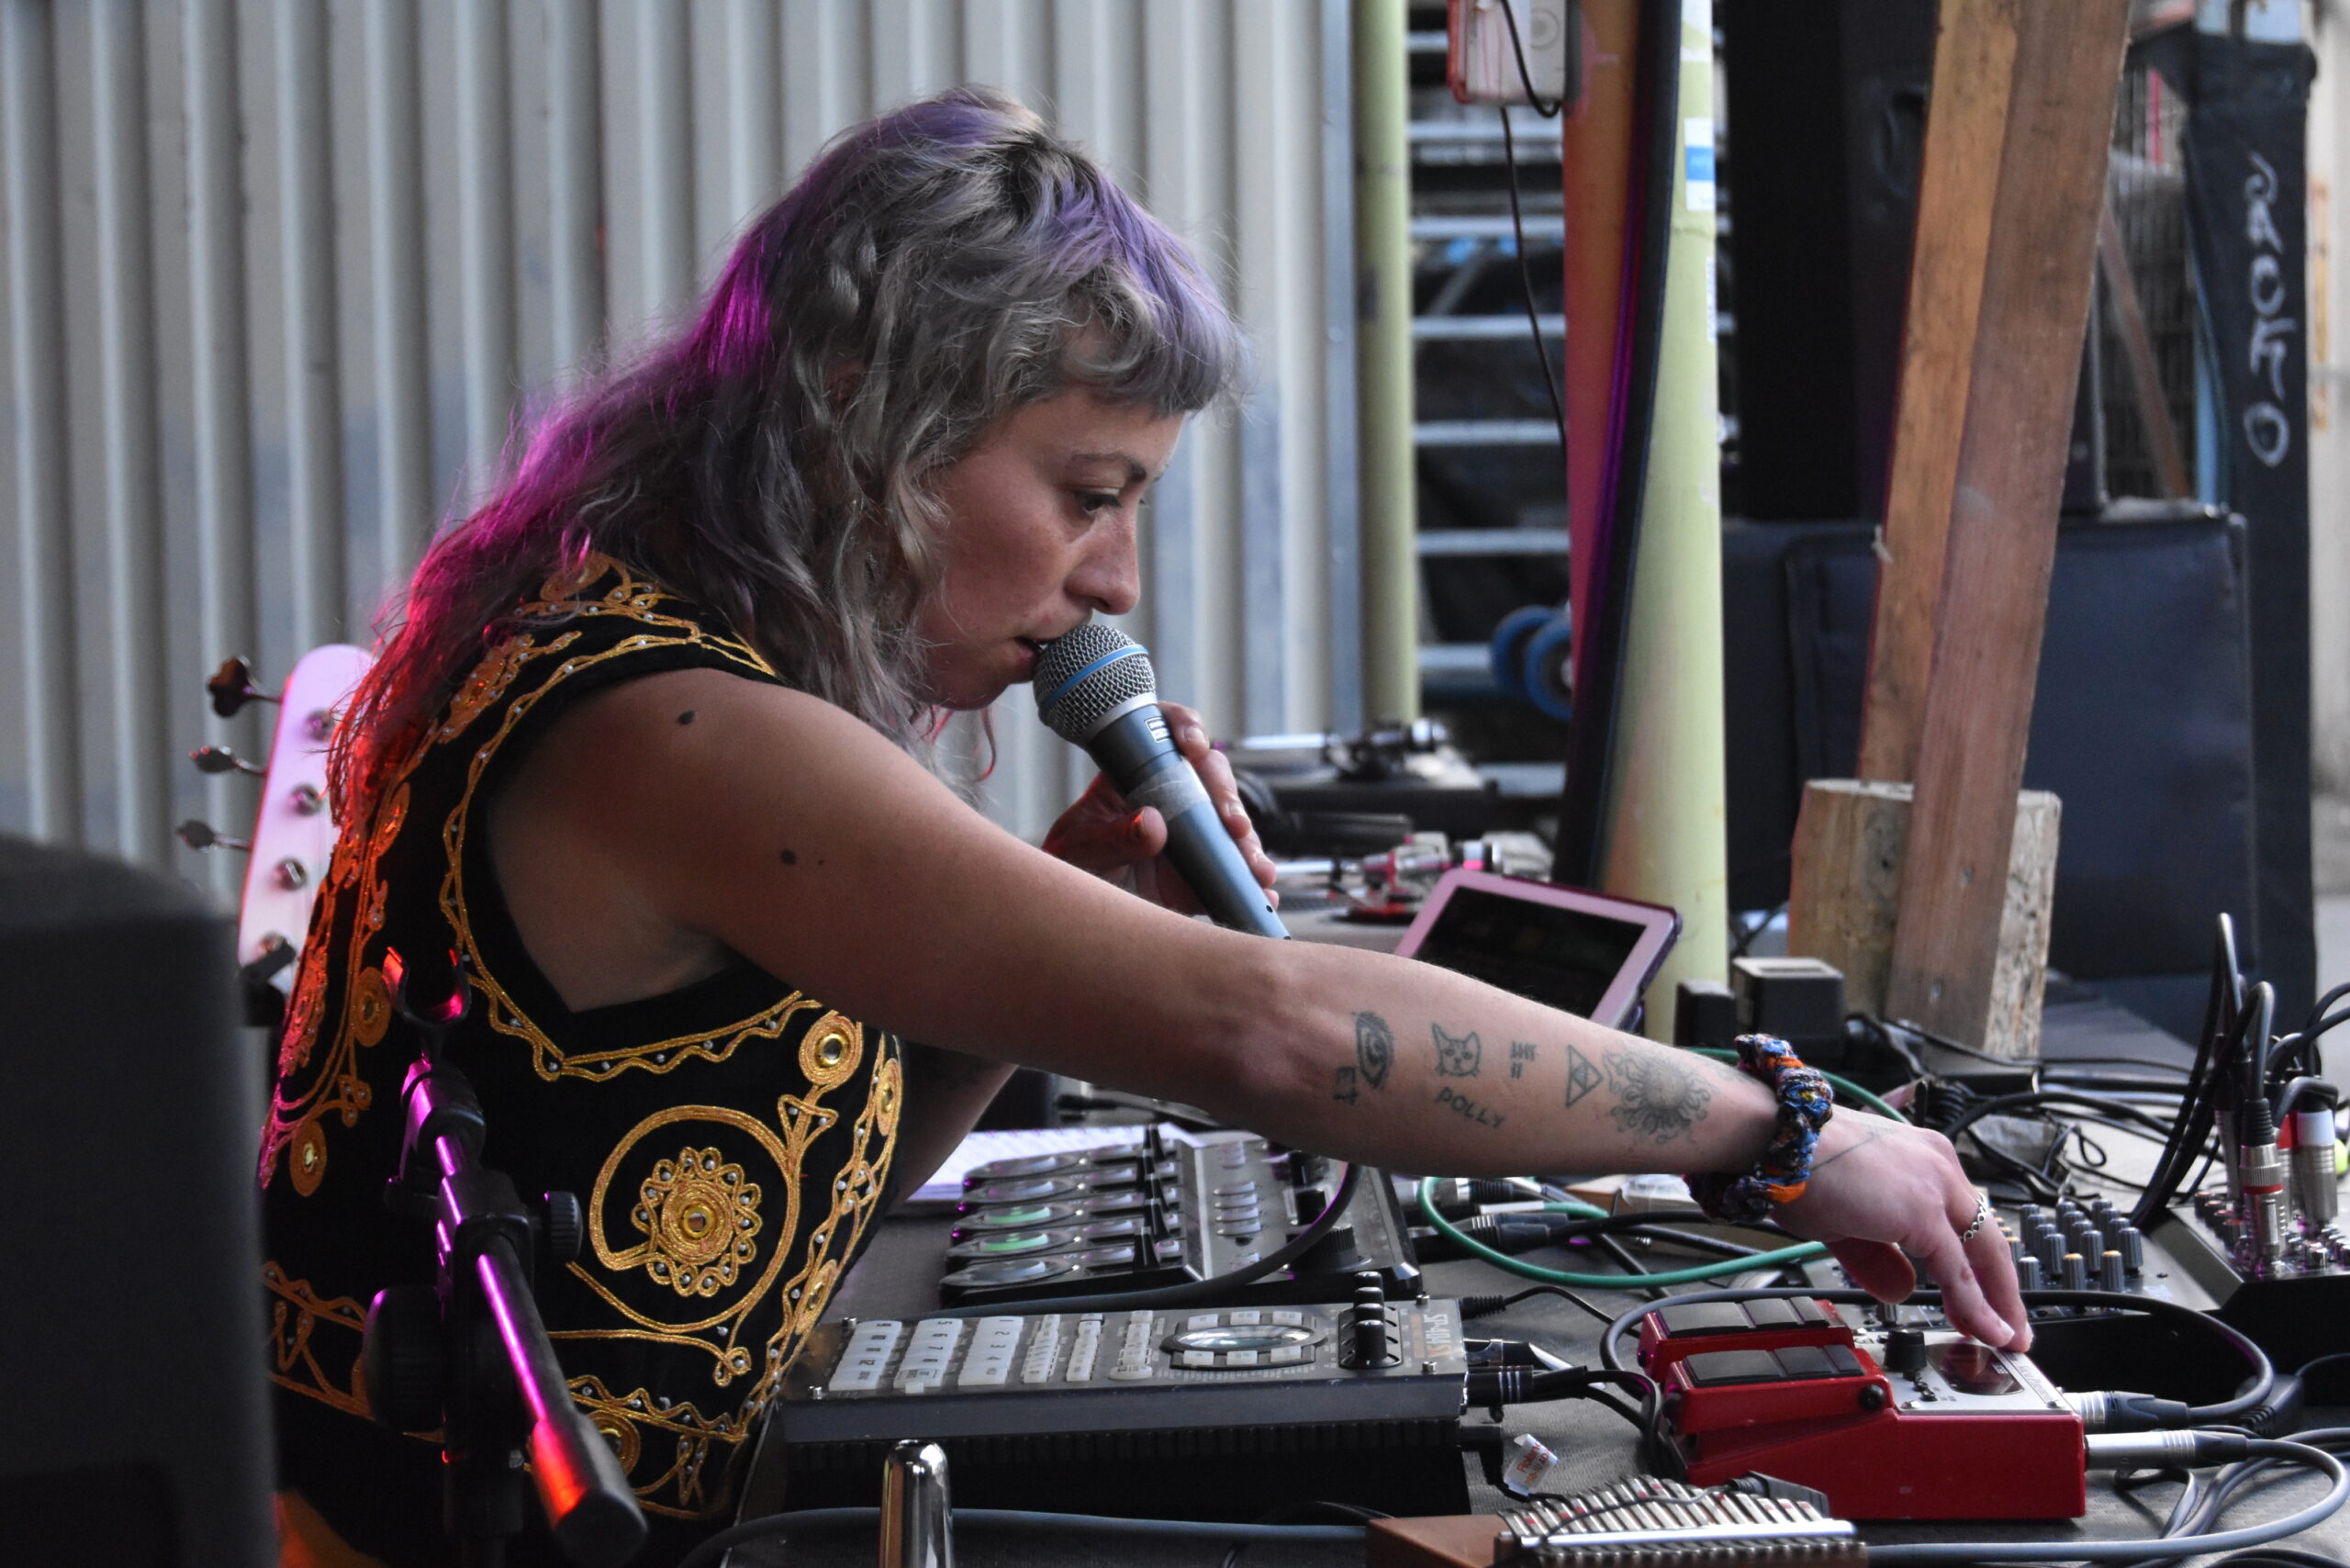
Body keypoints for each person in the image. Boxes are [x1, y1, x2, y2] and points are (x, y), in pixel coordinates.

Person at [259, 86, 2026, 1568]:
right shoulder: (676, 730)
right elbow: (1271, 1029)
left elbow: (785, 1216)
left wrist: (1042, 931)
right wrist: (1774, 1125)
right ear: (869, 413)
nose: (1113, 580)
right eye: (1088, 495)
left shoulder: (616, 646)